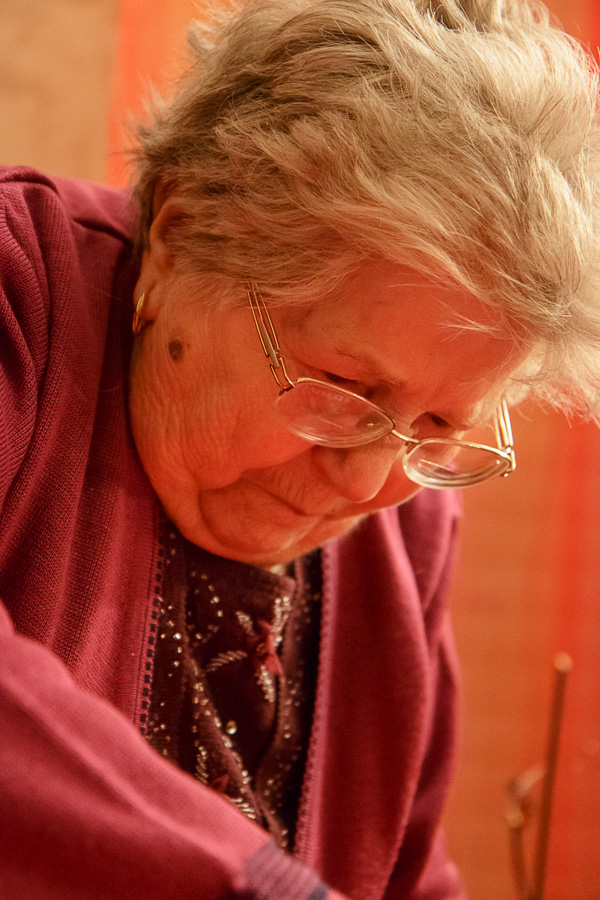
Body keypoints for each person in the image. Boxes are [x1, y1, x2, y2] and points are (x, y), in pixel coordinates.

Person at [1, 0, 599, 897]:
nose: (368, 481)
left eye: (441, 426)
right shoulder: (19, 297)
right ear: (180, 232)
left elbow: (407, 872)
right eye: (344, 390)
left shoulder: (410, 519)